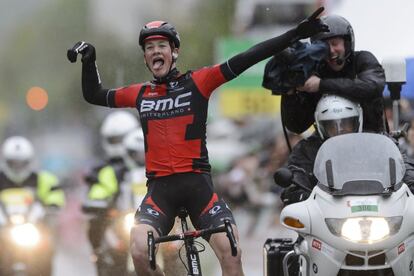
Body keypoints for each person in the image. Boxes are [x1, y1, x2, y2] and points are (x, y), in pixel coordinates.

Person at [68, 8, 328, 275]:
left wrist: (294, 34)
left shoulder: (199, 82)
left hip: (199, 190)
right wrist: (89, 61)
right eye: (149, 47)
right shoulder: (140, 94)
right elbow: (94, 94)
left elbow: (248, 57)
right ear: (145, 58)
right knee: (138, 248)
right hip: (160, 194)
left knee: (231, 248)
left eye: (161, 46)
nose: (156, 51)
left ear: (174, 52)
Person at [280, 95, 414, 206]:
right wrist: (297, 194)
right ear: (321, 126)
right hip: (325, 215)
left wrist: (411, 183)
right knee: (301, 237)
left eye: (346, 124)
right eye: (332, 126)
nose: (340, 130)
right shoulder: (307, 150)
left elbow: (402, 165)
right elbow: (295, 177)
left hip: (378, 211)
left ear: (358, 121)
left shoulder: (377, 143)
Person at [281, 14, 386, 135]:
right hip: (326, 145)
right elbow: (297, 126)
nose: (330, 51)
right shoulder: (314, 71)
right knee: (299, 153)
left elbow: (372, 87)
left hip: (372, 141)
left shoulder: (363, 60)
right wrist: (290, 92)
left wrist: (321, 85)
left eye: (335, 43)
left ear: (347, 44)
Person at [82, 110, 139, 273]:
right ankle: (99, 255)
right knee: (96, 224)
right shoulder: (105, 171)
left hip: (151, 217)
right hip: (121, 221)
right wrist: (96, 203)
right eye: (114, 140)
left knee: (177, 244)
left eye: (122, 138)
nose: (119, 144)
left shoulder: (152, 161)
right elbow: (97, 192)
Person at [0, 136, 65, 276]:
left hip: (33, 226)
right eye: (13, 163)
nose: (18, 167)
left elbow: (55, 194)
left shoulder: (43, 179)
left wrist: (52, 205)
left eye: (21, 163)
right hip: (3, 229)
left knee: (45, 248)